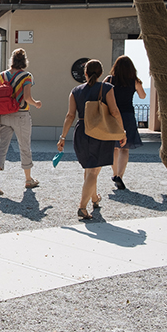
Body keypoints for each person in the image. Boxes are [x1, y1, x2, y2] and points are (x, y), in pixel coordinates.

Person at [57, 59, 126, 220]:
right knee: (94, 171)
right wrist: (122, 132)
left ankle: (94, 198)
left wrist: (63, 137)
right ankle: (82, 207)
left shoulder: (75, 91)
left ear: (85, 73)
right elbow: (115, 111)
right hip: (100, 131)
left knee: (89, 169)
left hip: (81, 131)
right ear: (101, 73)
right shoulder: (106, 88)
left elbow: (70, 116)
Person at [0, 48, 42, 196]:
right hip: (20, 115)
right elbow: (27, 98)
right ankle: (28, 179)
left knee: (0, 149)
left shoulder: (1, 76)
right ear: (24, 61)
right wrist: (36, 103)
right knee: (24, 146)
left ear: (11, 60)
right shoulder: (26, 76)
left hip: (3, 115)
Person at [105, 55, 146, 190]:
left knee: (114, 147)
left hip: (112, 115)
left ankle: (115, 172)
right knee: (124, 148)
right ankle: (120, 176)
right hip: (127, 116)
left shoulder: (109, 80)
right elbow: (142, 95)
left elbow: (101, 94)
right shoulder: (134, 81)